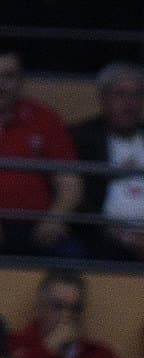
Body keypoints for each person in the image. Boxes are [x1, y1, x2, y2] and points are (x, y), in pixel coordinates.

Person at [64, 62, 144, 264]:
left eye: (137, 95)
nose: (129, 104)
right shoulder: (81, 138)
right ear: (103, 98)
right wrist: (122, 235)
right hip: (104, 239)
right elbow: (78, 198)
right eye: (120, 95)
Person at [0, 48, 82, 258]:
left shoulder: (45, 119)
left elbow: (70, 184)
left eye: (8, 76)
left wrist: (55, 219)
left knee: (73, 255)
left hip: (37, 227)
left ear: (21, 81)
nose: (1, 85)